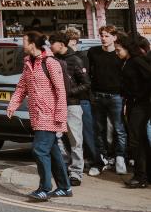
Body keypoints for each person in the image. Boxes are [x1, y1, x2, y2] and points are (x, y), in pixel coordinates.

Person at [6, 31, 70, 201]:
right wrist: (12, 105)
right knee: (53, 151)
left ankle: (44, 188)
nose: (22, 45)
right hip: (37, 115)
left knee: (39, 150)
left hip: (50, 115)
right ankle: (64, 187)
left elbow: (61, 91)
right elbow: (21, 87)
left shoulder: (50, 63)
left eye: (24, 41)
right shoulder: (28, 63)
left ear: (32, 44)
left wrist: (60, 115)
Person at [49, 32, 89, 186]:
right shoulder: (53, 60)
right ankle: (65, 166)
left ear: (61, 44)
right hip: (57, 105)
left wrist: (68, 92)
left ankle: (76, 173)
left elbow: (86, 84)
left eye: (52, 42)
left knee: (75, 140)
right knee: (59, 138)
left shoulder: (75, 60)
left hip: (72, 104)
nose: (50, 46)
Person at [87, 26, 127, 176]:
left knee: (119, 129)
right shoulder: (93, 52)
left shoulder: (119, 54)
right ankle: (101, 160)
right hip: (98, 95)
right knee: (99, 130)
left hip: (116, 96)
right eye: (102, 35)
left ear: (114, 38)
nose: (103, 38)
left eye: (107, 36)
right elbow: (89, 73)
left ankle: (120, 158)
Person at [64, 27, 100, 174]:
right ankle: (81, 162)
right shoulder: (64, 58)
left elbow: (86, 81)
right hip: (72, 100)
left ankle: (95, 162)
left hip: (82, 100)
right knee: (73, 136)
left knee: (86, 133)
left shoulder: (81, 57)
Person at [117, 34, 151, 188]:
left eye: (118, 49)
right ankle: (143, 175)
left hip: (140, 105)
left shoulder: (137, 61)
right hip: (132, 103)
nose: (116, 52)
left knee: (136, 141)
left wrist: (139, 96)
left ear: (127, 48)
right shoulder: (128, 61)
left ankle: (141, 177)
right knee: (139, 140)